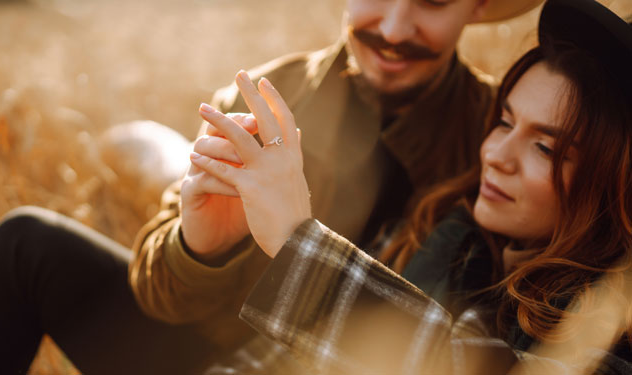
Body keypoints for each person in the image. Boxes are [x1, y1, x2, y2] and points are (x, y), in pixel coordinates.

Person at [0, 0, 542, 374]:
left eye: (433, 1)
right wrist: (197, 248)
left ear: (478, 7)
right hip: (214, 354)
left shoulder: (499, 136)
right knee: (27, 243)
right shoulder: (267, 94)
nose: (396, 28)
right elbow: (158, 292)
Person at [189, 0, 632, 373]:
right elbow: (271, 363)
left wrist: (297, 239)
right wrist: (198, 249)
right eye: (504, 122)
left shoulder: (612, 320)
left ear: (617, 181)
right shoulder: (431, 228)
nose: (496, 154)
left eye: (545, 149)